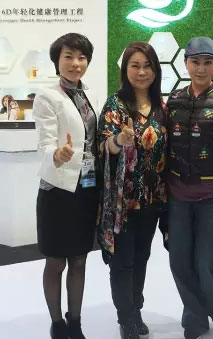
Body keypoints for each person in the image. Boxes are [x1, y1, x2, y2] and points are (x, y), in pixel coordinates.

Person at [166, 37, 213, 339]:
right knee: (179, 260)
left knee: (208, 260)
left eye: (207, 62)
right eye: (195, 62)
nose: (201, 68)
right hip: (178, 195)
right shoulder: (175, 99)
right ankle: (194, 317)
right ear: (186, 63)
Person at [98, 42, 168, 339]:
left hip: (152, 199)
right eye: (135, 66)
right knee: (123, 262)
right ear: (125, 70)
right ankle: (125, 318)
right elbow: (103, 145)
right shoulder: (115, 105)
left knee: (141, 258)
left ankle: (136, 310)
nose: (142, 72)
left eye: (147, 66)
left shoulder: (162, 107)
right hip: (122, 201)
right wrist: (118, 141)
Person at [33, 33, 100, 339]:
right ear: (57, 61)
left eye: (82, 57)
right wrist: (56, 154)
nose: (76, 63)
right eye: (69, 57)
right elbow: (44, 142)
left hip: (87, 188)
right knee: (56, 261)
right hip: (58, 189)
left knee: (80, 259)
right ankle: (57, 323)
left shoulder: (91, 96)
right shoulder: (47, 97)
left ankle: (75, 321)